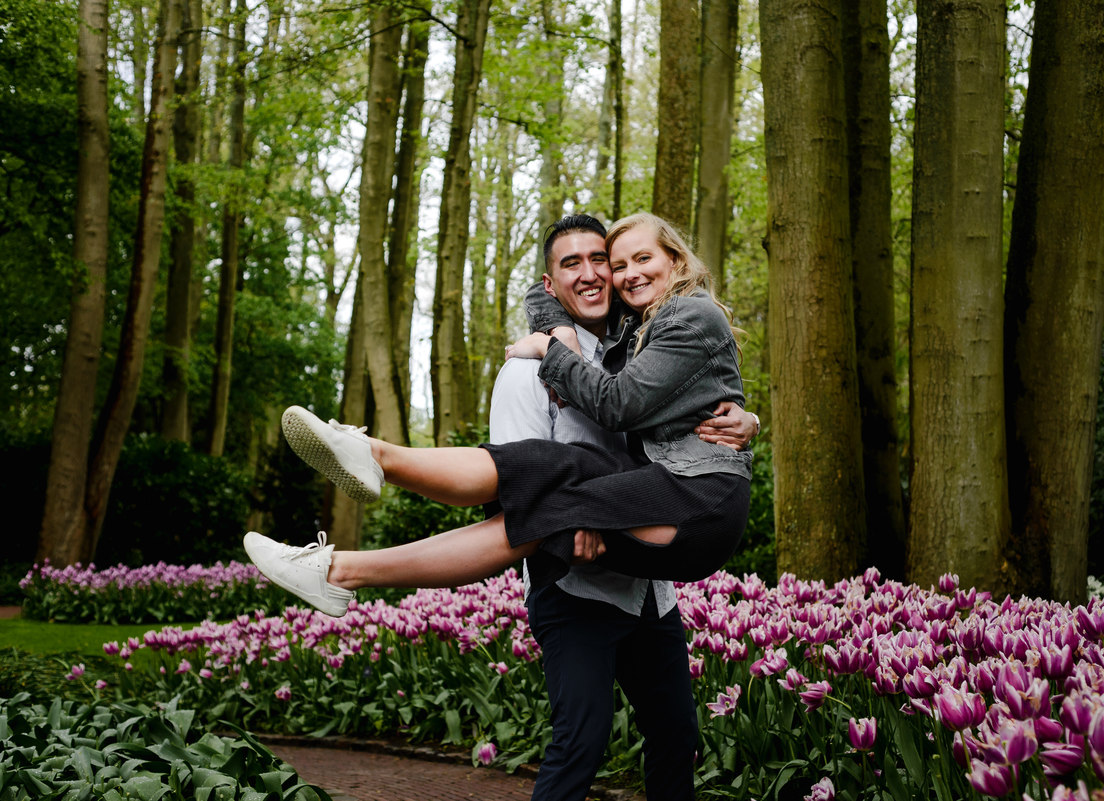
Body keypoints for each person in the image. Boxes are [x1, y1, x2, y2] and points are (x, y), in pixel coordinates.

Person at [243, 212, 753, 624]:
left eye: (642, 259)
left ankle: (345, 558)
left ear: (676, 259)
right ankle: (367, 473)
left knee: (545, 492)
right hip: (670, 486)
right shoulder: (636, 319)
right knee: (554, 465)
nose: (626, 274)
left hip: (699, 501)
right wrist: (558, 328)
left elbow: (619, 404)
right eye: (619, 266)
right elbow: (549, 291)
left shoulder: (688, 314)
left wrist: (549, 349)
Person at [491, 213, 756, 801]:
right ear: (549, 283)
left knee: (675, 738)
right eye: (572, 265)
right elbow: (514, 477)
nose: (592, 275)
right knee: (580, 744)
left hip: (646, 589)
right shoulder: (525, 370)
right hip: (576, 584)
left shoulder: (634, 342)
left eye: (599, 261)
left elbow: (685, 406)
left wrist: (748, 420)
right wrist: (578, 520)